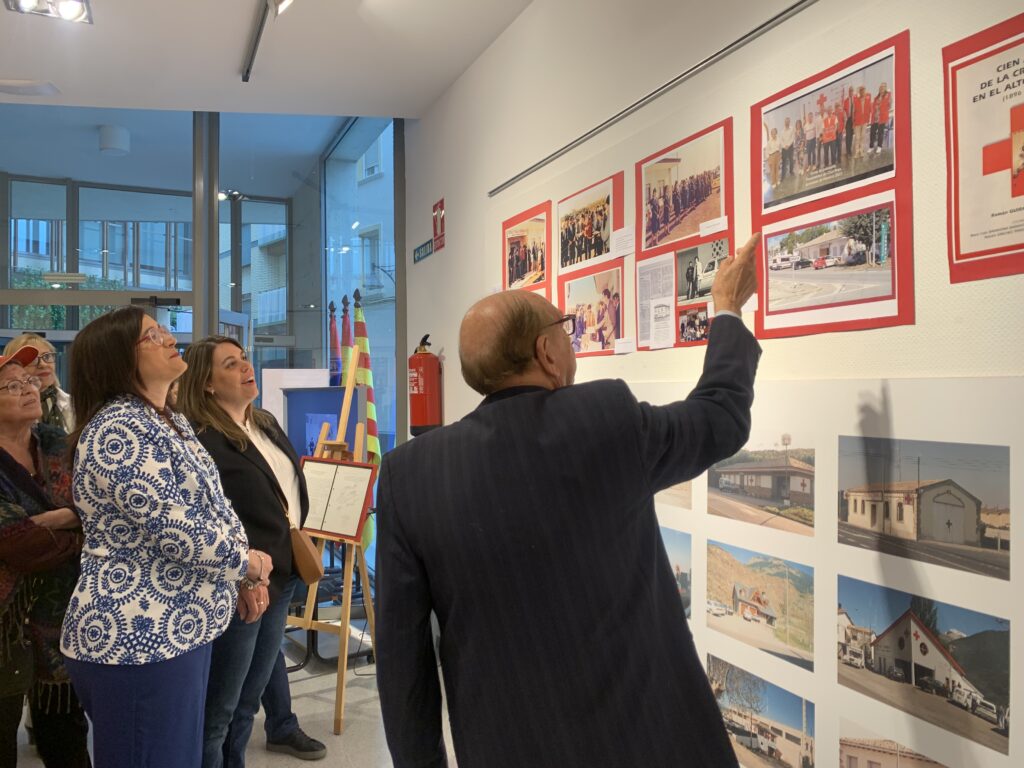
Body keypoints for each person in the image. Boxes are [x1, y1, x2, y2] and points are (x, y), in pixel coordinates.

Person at [376, 234, 762, 768]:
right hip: (653, 742)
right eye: (567, 329)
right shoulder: (605, 419)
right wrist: (728, 309)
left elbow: (402, 664)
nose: (571, 341)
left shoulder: (410, 475)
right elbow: (720, 417)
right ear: (546, 352)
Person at [60, 307, 274, 768]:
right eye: (152, 336)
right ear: (120, 358)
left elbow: (214, 507)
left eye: (163, 330)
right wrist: (249, 563)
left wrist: (240, 572)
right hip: (138, 637)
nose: (170, 338)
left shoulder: (166, 419)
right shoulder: (119, 428)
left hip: (176, 632)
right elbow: (177, 529)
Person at [177, 336, 326, 765]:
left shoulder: (264, 423)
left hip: (280, 576)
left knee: (248, 700)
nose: (246, 367)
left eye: (244, 358)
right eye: (230, 364)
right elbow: (208, 517)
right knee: (220, 708)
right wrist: (242, 575)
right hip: (239, 583)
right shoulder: (202, 439)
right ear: (207, 382)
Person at [0, 347, 89, 767]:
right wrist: (74, 527)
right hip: (6, 627)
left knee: (67, 738)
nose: (28, 389)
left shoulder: (58, 444)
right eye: (11, 386)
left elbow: (99, 512)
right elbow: (18, 543)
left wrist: (63, 519)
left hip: (63, 618)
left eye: (29, 381)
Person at [2, 334, 73, 432]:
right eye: (33, 360)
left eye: (47, 356)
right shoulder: (9, 411)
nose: (43, 364)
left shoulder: (74, 404)